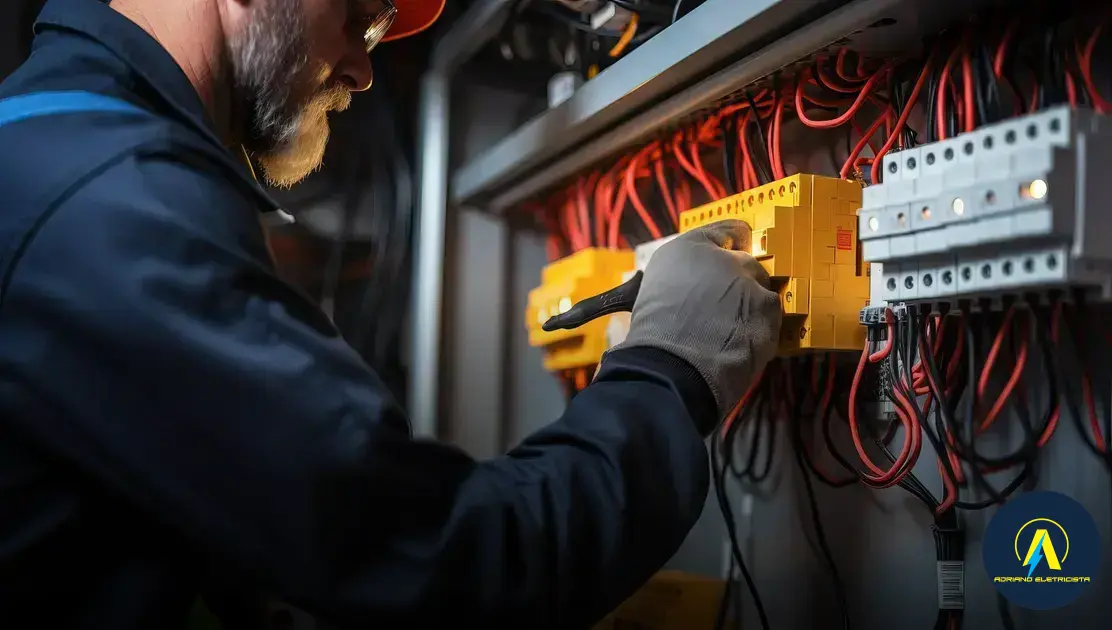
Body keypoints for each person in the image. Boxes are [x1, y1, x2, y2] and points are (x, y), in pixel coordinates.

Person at [0, 0, 782, 628]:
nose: (364, 69)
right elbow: (453, 566)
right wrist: (667, 372)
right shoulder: (118, 206)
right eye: (358, 17)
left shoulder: (51, 140)